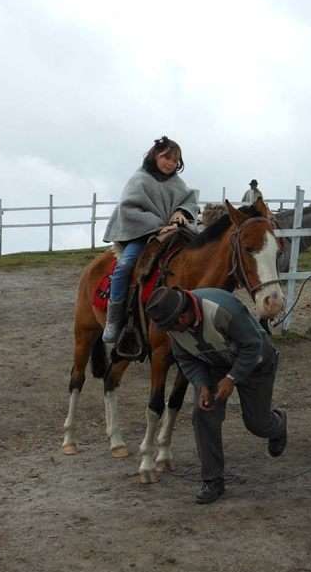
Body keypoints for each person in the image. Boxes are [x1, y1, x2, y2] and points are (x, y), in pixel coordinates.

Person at [145, 286, 287, 504]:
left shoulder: (223, 310)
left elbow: (253, 346)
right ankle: (213, 480)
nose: (170, 332)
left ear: (182, 316)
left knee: (257, 423)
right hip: (213, 363)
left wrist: (232, 378)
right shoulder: (172, 326)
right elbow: (186, 359)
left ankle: (277, 424)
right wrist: (201, 384)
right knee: (203, 414)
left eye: (171, 326)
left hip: (255, 362)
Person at [101, 136, 199, 343]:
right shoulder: (140, 179)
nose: (170, 163)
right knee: (125, 266)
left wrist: (181, 212)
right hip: (143, 234)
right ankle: (114, 317)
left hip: (173, 233)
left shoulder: (177, 183)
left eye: (175, 160)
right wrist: (157, 226)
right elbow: (129, 208)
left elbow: (189, 200)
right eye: (167, 157)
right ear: (155, 155)